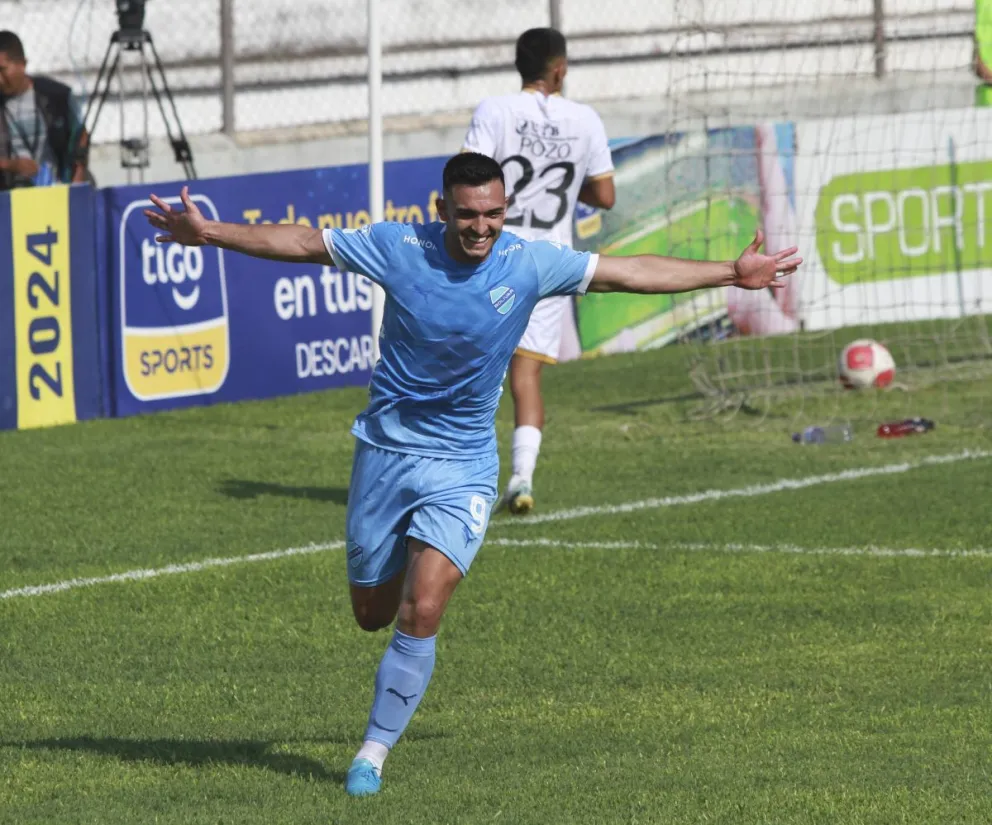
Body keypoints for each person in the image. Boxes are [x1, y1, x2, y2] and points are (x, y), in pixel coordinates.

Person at [143, 152, 802, 798]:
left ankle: (372, 752)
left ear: (504, 210)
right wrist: (208, 233)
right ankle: (405, 559)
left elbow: (628, 271)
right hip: (386, 452)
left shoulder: (529, 261)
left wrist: (728, 272)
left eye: (492, 213)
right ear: (441, 210)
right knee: (371, 614)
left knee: (424, 605)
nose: (480, 227)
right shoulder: (398, 247)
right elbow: (301, 240)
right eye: (467, 215)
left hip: (462, 465)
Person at [462, 27, 615, 515]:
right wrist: (570, 190)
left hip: (493, 253)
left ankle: (461, 476)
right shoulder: (585, 119)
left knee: (469, 366)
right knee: (525, 375)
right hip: (549, 263)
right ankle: (520, 479)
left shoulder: (495, 110)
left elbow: (469, 174)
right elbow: (605, 195)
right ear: (560, 68)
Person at [0, 30, 89, 190]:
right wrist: (10, 165)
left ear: (22, 64)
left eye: (2, 69)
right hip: (10, 196)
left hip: (57, 189)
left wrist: (76, 180)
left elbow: (80, 135)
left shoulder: (56, 96)